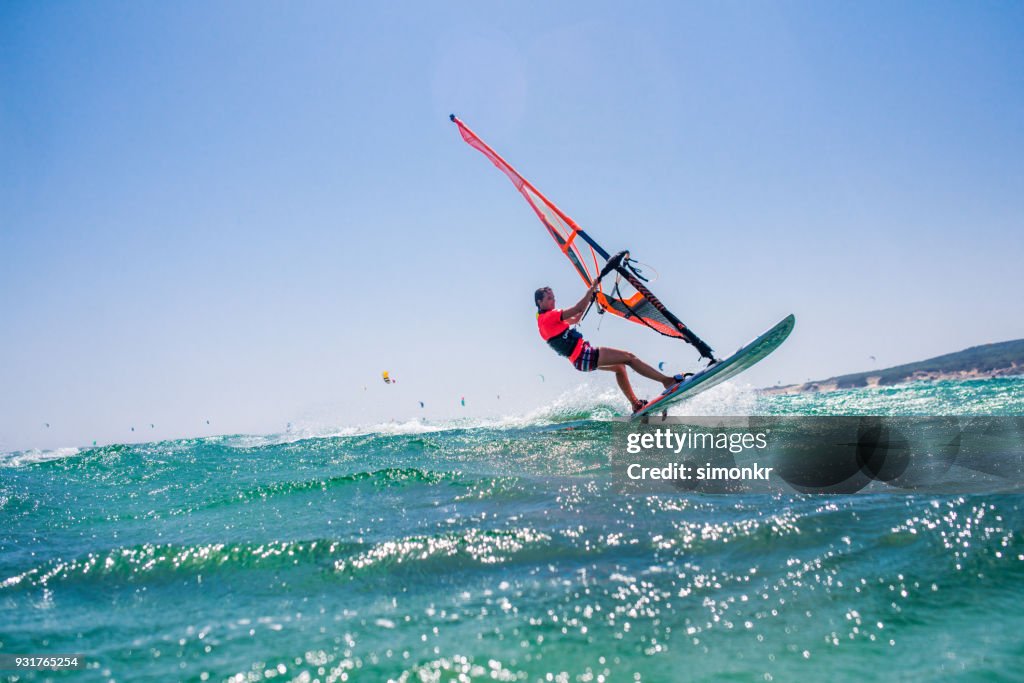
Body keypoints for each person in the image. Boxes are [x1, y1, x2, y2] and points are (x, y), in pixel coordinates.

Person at [535, 282, 688, 413]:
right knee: (629, 357)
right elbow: (577, 309)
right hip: (584, 355)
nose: (553, 301)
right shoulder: (550, 316)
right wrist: (592, 287)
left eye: (554, 298)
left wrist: (592, 298)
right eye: (549, 299)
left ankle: (635, 404)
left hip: (580, 361)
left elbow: (576, 318)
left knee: (619, 367)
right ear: (540, 302)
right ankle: (666, 381)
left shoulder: (543, 323)